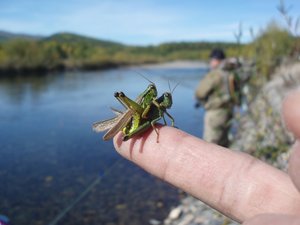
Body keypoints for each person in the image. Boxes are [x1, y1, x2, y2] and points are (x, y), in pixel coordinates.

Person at [113, 90, 300, 224]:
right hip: (139, 123)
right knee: (216, 139)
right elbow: (156, 116)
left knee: (210, 143)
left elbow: (189, 99)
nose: (168, 99)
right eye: (167, 97)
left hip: (212, 113)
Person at [195, 48, 235, 147]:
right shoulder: (231, 72)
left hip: (215, 114)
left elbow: (200, 93)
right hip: (229, 112)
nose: (210, 62)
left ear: (216, 60)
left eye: (211, 60)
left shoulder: (215, 74)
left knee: (210, 146)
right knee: (224, 145)